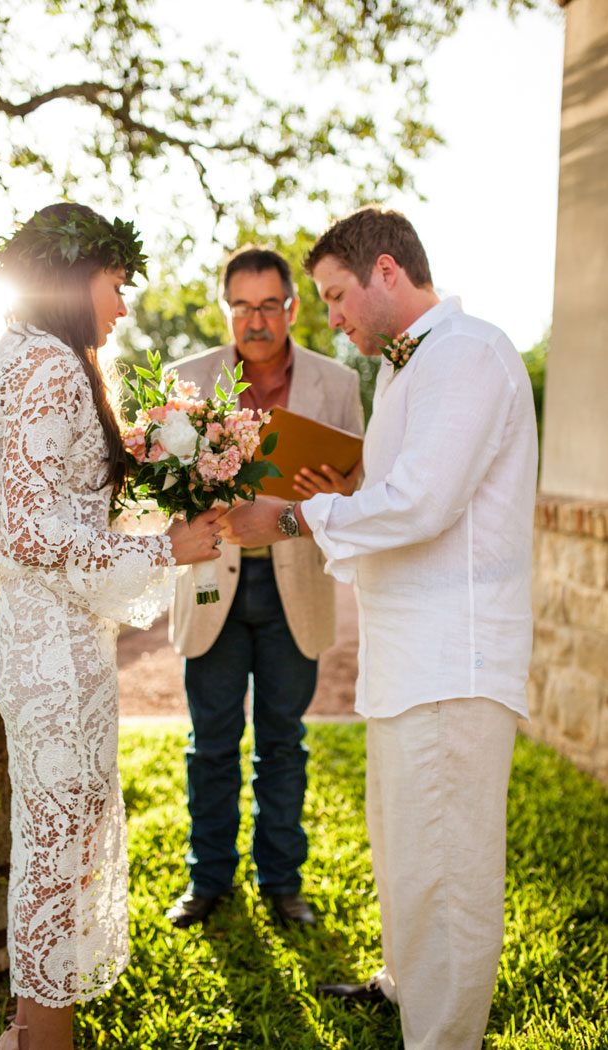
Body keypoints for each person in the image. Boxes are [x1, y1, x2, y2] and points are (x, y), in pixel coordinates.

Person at [218, 208, 537, 1050]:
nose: (331, 319)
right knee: (404, 849)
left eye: (333, 297)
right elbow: (385, 505)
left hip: (452, 659)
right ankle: (403, 985)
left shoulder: (467, 354)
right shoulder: (404, 371)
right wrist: (335, 492)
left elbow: (424, 505)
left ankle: (443, 1039)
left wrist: (290, 518)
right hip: (408, 659)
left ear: (386, 272)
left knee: (447, 873)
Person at [0, 203, 222, 1050]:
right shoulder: (52, 367)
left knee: (52, 837)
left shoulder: (22, 356)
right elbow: (36, 532)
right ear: (78, 277)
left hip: (40, 634)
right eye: (116, 285)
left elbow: (51, 505)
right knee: (60, 845)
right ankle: (43, 1041)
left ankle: (28, 1030)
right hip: (52, 644)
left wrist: (155, 462)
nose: (120, 306)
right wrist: (167, 549)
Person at [165, 246, 364, 929]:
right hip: (210, 587)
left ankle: (283, 884)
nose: (255, 321)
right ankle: (207, 882)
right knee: (211, 744)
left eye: (268, 306)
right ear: (227, 309)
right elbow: (156, 491)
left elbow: (358, 486)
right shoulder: (184, 381)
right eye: (242, 307)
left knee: (284, 743)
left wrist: (340, 491)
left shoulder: (337, 383)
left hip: (295, 590)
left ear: (292, 308)